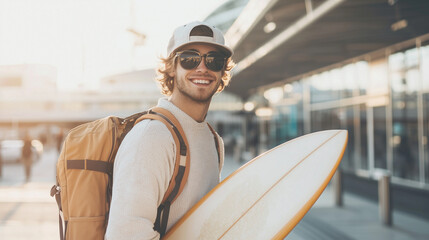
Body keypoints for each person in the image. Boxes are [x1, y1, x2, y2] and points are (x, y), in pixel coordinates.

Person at [105, 21, 235, 239]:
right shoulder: (152, 136)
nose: (202, 68)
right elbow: (125, 233)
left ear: (223, 71)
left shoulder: (213, 140)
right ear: (171, 68)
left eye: (214, 60)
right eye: (189, 59)